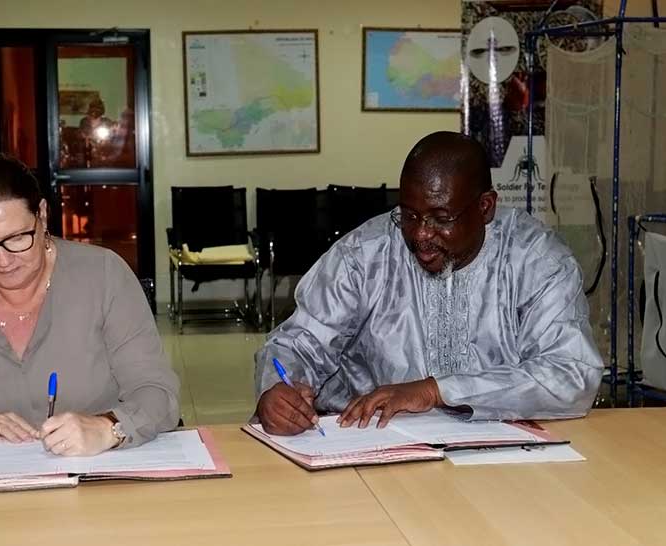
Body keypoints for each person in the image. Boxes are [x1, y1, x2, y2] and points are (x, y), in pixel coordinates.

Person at [254, 131, 603, 435]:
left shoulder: (537, 260)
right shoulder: (364, 255)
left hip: (504, 456)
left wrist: (437, 391)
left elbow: (572, 373)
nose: (420, 234)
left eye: (441, 218)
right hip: (376, 447)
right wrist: (277, 390)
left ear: (485, 208)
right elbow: (298, 342)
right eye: (408, 215)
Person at [0, 153, 179, 455]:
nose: (3, 260)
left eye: (16, 238)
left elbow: (157, 395)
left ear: (42, 214)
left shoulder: (102, 275)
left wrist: (109, 428)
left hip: (95, 476)